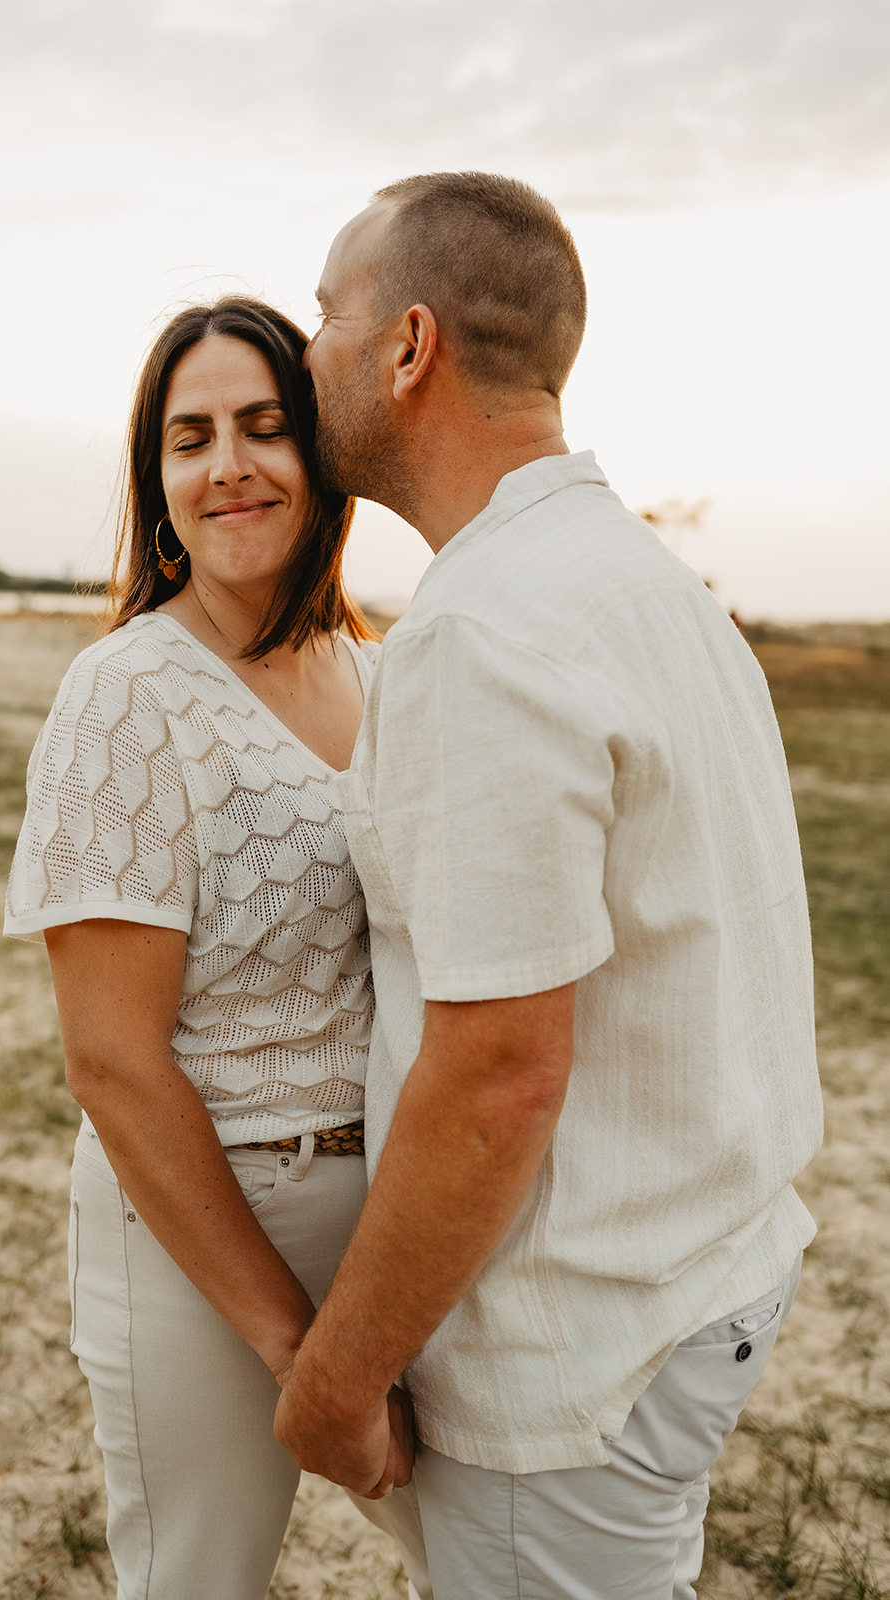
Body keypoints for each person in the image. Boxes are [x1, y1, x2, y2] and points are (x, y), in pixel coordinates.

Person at [273, 174, 824, 1599]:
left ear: (406, 347)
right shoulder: (645, 585)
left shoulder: (485, 635)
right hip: (699, 1278)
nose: (304, 348)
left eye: (324, 313)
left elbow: (499, 1073)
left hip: (577, 1357)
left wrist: (342, 1374)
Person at [4, 296, 429, 1600]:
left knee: (495, 1554)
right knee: (201, 1579)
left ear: (323, 454)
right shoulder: (128, 692)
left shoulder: (376, 670)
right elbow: (114, 1063)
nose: (228, 464)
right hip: (200, 1232)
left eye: (263, 426)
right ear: (159, 480)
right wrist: (296, 1352)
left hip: (392, 1225)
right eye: (190, 438)